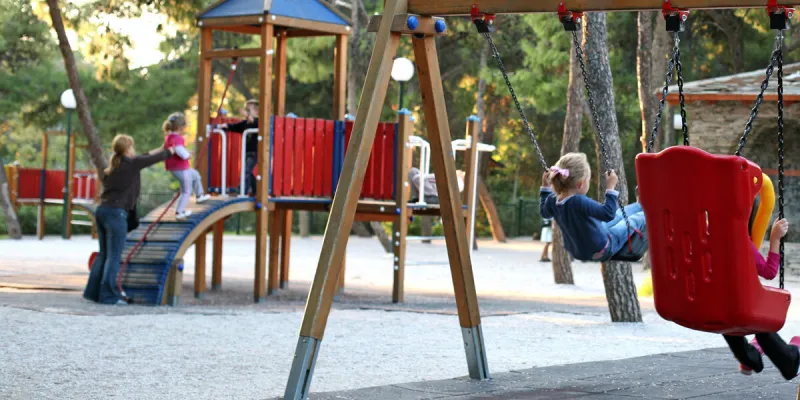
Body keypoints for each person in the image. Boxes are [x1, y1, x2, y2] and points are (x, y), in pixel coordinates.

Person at [83, 135, 174, 305]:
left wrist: (162, 148)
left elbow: (145, 156)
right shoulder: (131, 164)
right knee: (113, 256)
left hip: (102, 211)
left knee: (104, 254)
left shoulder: (113, 166)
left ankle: (93, 293)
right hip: (116, 214)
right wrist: (171, 151)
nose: (134, 150)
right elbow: (152, 159)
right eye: (132, 147)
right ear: (127, 149)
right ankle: (109, 296)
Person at [728, 196, 799, 379]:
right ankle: (790, 360)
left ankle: (749, 357)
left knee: (729, 318)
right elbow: (769, 272)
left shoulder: (706, 235)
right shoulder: (740, 241)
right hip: (742, 309)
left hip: (711, 308)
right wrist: (774, 237)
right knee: (757, 316)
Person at [539, 152, 647, 262]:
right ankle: (649, 212)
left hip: (583, 246)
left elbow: (544, 213)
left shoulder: (552, 200)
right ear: (581, 184)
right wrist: (611, 187)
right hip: (602, 248)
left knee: (619, 214)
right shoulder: (579, 202)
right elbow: (608, 213)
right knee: (632, 221)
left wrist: (545, 188)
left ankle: (641, 205)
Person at [163, 112, 210, 219]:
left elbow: (176, 149)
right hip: (180, 169)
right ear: (181, 127)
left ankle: (199, 195)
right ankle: (179, 212)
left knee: (195, 175)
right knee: (186, 191)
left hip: (178, 168)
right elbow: (179, 150)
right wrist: (188, 155)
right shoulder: (178, 138)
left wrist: (186, 152)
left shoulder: (169, 137)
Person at [220, 99, 259, 195]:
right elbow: (234, 126)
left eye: (250, 110)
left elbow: (253, 121)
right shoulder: (245, 123)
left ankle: (242, 191)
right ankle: (256, 190)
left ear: (257, 111)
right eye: (247, 109)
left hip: (255, 151)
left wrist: (246, 115)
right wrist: (224, 126)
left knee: (246, 170)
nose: (247, 112)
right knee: (248, 171)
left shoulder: (259, 121)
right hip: (247, 151)